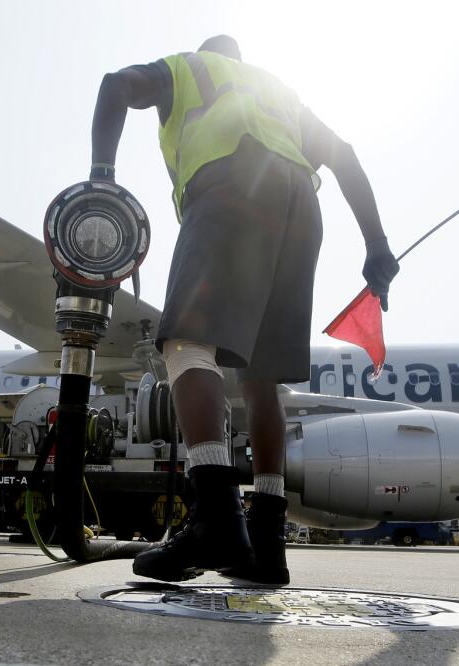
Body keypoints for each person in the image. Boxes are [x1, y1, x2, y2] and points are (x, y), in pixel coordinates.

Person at [90, 35, 399, 583]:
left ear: (209, 52)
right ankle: (267, 543)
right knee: (263, 381)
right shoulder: (278, 91)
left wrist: (103, 178)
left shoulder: (187, 68)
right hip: (301, 209)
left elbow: (116, 85)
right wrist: (377, 246)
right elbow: (344, 155)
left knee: (187, 343)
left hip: (230, 186)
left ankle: (215, 515)